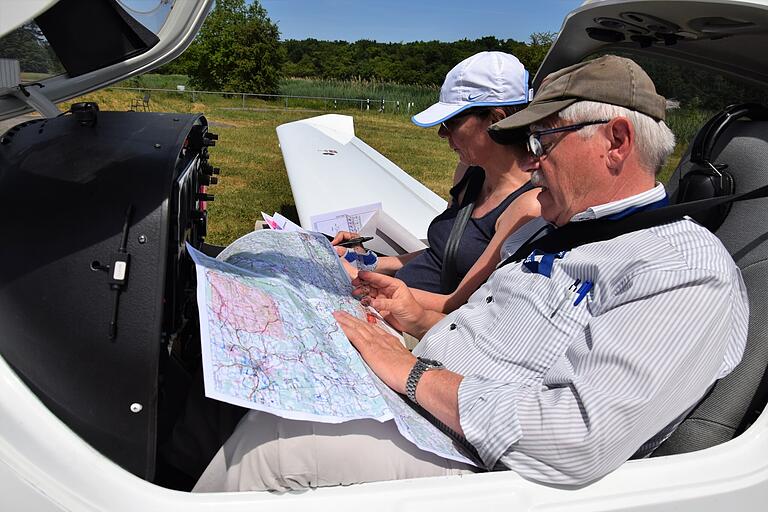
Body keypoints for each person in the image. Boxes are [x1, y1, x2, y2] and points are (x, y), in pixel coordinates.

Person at [194, 55, 748, 492]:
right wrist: (406, 320)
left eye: (543, 141)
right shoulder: (560, 228)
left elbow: (576, 439)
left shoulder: (682, 271)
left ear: (615, 142)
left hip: (484, 461)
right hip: (430, 395)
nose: (532, 161)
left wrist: (408, 372)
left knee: (275, 451)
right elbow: (473, 318)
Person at [334, 51, 542, 314]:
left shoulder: (528, 206)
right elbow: (442, 256)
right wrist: (370, 263)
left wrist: (357, 277)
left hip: (415, 323)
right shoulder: (469, 172)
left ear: (497, 119)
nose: (442, 133)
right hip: (391, 298)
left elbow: (455, 303)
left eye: (452, 122)